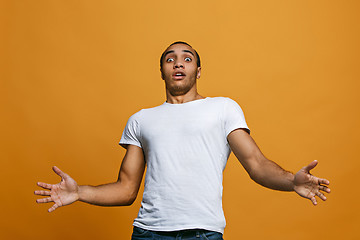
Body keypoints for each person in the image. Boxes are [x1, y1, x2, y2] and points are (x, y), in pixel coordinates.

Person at [35, 41, 331, 240]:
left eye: (187, 59)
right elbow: (126, 189)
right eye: (170, 59)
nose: (178, 63)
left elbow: (256, 164)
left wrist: (291, 181)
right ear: (162, 70)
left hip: (203, 233)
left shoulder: (223, 108)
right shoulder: (141, 119)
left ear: (197, 71)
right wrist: (80, 192)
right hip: (148, 232)